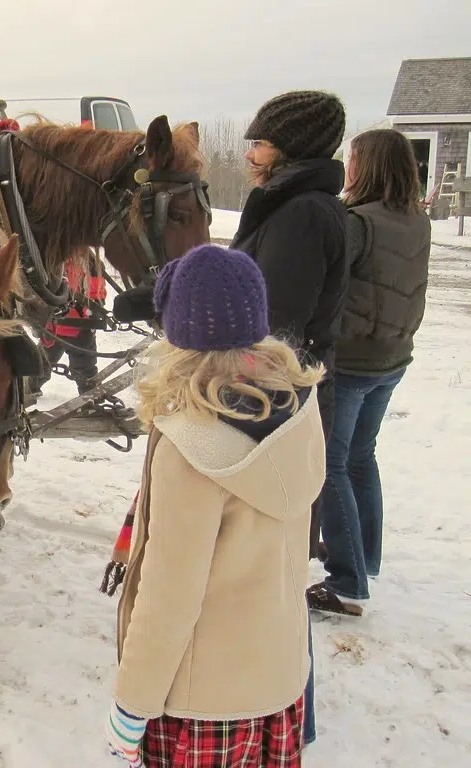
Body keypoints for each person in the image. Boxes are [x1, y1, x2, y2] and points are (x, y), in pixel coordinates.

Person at [105, 245, 325, 768]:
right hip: (278, 686)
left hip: (204, 707)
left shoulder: (191, 444)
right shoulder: (297, 408)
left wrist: (133, 703)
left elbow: (169, 596)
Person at [230, 89, 348, 746]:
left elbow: (272, 325)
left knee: (275, 564)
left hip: (278, 407)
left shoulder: (302, 215)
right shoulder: (293, 208)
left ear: (290, 148)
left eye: (261, 142)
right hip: (278, 400)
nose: (251, 154)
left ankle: (289, 714)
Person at [307, 129, 431, 617]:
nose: (348, 166)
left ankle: (346, 582)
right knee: (361, 457)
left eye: (353, 158)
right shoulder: (416, 220)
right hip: (393, 357)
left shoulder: (358, 223)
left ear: (370, 165)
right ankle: (364, 557)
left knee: (332, 464)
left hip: (355, 361)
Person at [34, 249, 106, 396]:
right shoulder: (48, 258)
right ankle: (30, 388)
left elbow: (96, 288)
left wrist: (93, 309)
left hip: (77, 326)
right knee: (42, 362)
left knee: (84, 367)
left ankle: (90, 396)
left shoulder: (88, 260)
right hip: (55, 325)